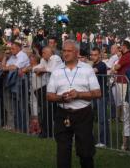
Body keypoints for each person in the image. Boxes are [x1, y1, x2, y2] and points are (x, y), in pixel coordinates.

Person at [46, 40, 101, 168]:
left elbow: (97, 93)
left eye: (69, 51)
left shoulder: (87, 69)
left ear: (76, 52)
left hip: (83, 114)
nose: (65, 53)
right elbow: (49, 95)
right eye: (64, 51)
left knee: (85, 151)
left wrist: (79, 94)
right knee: (63, 151)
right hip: (63, 114)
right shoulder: (57, 70)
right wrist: (61, 98)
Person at [32, 46, 62, 138]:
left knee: (51, 110)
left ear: (50, 53)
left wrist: (41, 70)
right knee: (46, 110)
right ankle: (46, 132)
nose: (42, 54)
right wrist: (39, 69)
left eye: (44, 52)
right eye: (42, 52)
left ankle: (52, 132)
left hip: (58, 88)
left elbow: (53, 70)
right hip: (49, 87)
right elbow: (35, 69)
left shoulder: (55, 58)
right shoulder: (43, 60)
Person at [90, 47, 110, 147]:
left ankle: (104, 141)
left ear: (99, 55)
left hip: (101, 95)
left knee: (102, 119)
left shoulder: (102, 65)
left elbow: (92, 71)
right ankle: (92, 139)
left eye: (95, 55)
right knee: (91, 117)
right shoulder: (93, 64)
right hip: (94, 94)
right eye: (92, 55)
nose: (93, 57)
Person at [113, 41, 130, 119]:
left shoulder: (126, 55)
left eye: (121, 46)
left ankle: (125, 117)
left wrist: (114, 66)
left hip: (123, 81)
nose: (120, 47)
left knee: (124, 100)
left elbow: (117, 67)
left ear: (124, 46)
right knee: (123, 100)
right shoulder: (127, 55)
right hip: (122, 80)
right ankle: (124, 117)